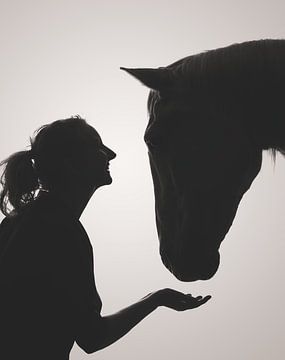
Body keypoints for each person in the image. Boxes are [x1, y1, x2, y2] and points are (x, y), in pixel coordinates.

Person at [0, 116, 211, 360]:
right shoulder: (62, 231)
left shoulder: (19, 223)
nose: (110, 155)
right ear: (71, 162)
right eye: (97, 147)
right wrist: (156, 299)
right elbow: (92, 337)